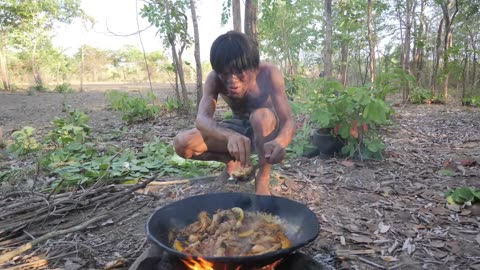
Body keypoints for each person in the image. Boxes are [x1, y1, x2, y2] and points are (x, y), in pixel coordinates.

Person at [173, 31, 295, 195]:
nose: (232, 81)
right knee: (182, 143)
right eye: (225, 74)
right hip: (237, 129)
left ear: (253, 68)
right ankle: (231, 161)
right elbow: (201, 119)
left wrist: (280, 142)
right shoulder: (214, 79)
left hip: (266, 134)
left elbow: (288, 121)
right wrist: (229, 135)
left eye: (239, 73)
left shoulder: (269, 73)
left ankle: (262, 178)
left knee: (261, 117)